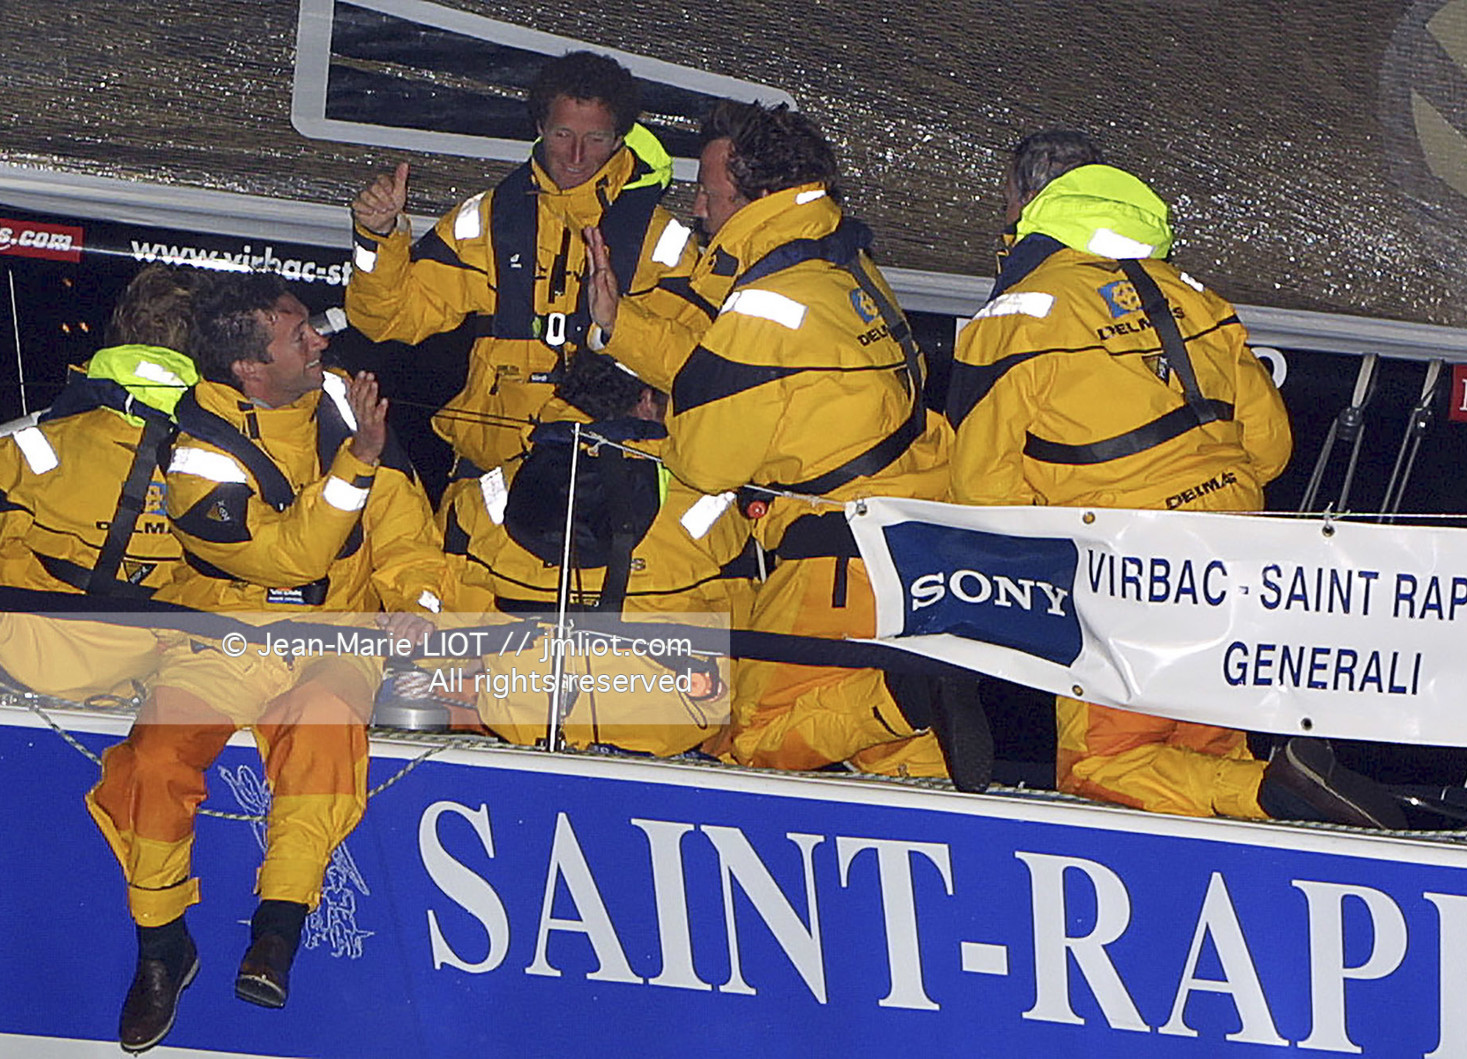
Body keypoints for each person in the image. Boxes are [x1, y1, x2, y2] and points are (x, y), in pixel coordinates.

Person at [947, 128, 1405, 828]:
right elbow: (1272, 447)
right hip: (1234, 559)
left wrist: (1071, 519)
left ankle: (1271, 791)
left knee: (1102, 765)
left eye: (1006, 199)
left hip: (1126, 570)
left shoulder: (1017, 312)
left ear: (1028, 207)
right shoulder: (1194, 296)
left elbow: (981, 489)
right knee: (1204, 752)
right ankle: (1285, 789)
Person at [86, 273, 449, 1053]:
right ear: (251, 369)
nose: (320, 340)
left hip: (336, 636)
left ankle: (277, 932)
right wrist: (353, 466)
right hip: (225, 637)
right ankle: (160, 947)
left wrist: (417, 605)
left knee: (323, 729)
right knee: (151, 760)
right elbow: (287, 553)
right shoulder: (194, 454)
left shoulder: (349, 400)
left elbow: (406, 526)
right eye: (299, 337)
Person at [597, 100, 987, 788]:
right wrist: (618, 327)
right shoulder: (850, 272)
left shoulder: (763, 300)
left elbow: (707, 462)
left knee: (750, 740)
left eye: (708, 189)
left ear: (754, 195)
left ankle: (901, 697)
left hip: (833, 566)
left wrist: (644, 440)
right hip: (915, 550)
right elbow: (739, 373)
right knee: (911, 774)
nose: (696, 204)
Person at [345, 50, 697, 474]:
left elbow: (694, 367)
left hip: (609, 472)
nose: (577, 156)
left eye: (597, 139)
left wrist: (618, 324)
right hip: (491, 468)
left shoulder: (663, 242)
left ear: (620, 138)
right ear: (539, 129)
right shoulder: (486, 220)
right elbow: (388, 318)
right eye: (563, 134)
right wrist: (377, 236)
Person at [442, 350, 755, 755]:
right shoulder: (706, 498)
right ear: (645, 402)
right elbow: (745, 628)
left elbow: (455, 623)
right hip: (669, 734)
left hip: (525, 728)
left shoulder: (487, 495)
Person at [0, 264, 199, 700]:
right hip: (141, 683)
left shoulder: (29, 450)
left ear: (118, 331)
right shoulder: (224, 463)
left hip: (16, 661)